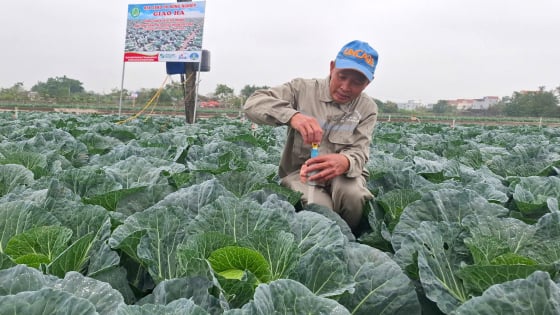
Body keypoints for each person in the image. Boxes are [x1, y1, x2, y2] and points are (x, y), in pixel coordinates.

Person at [243, 40, 379, 232]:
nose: (346, 87)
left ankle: (353, 241)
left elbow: (360, 150)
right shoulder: (301, 90)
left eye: (357, 82)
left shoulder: (367, 108)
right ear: (332, 67)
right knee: (320, 210)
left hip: (344, 174)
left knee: (354, 196)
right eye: (342, 76)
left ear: (368, 83)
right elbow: (253, 104)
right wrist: (292, 116)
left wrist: (345, 161)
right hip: (301, 173)